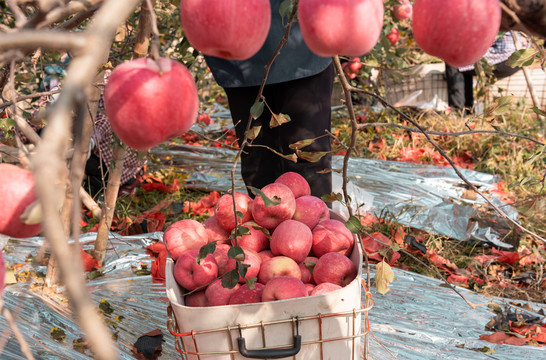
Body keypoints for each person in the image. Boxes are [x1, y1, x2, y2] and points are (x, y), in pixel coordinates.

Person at [203, 0, 334, 199]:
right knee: (258, 156)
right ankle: (269, 223)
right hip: (236, 34)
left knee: (304, 151)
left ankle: (312, 225)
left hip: (298, 38)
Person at [445, 31, 529, 114]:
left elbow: (483, 41)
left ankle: (457, 111)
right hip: (520, 58)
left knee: (453, 62)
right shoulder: (515, 24)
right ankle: (468, 109)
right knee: (464, 66)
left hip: (505, 59)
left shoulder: (497, 22)